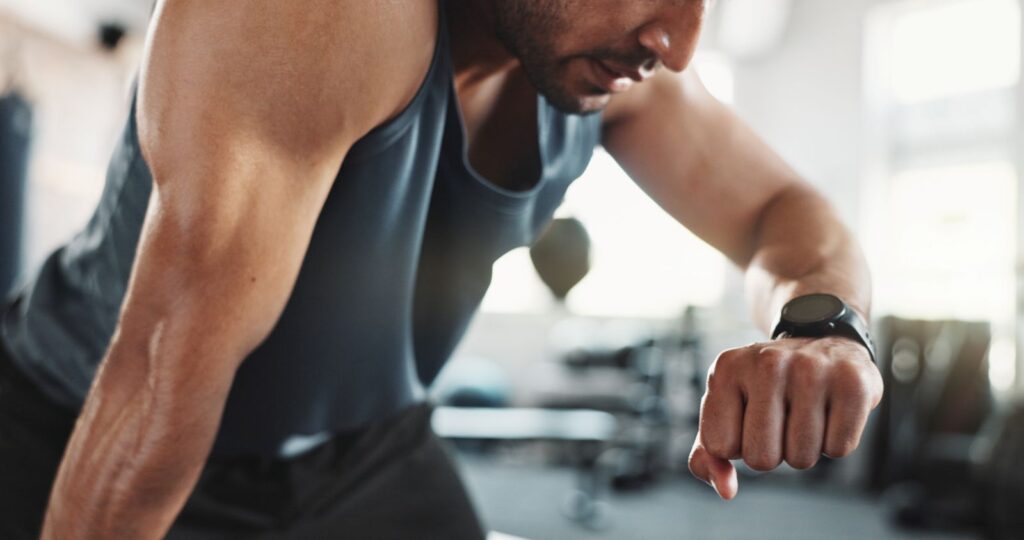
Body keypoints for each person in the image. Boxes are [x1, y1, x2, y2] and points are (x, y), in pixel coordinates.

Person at [0, 0, 884, 538]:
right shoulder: (308, 20)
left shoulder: (615, 63)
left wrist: (821, 326)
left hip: (365, 453)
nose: (678, 43)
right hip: (84, 425)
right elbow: (155, 381)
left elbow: (788, 214)